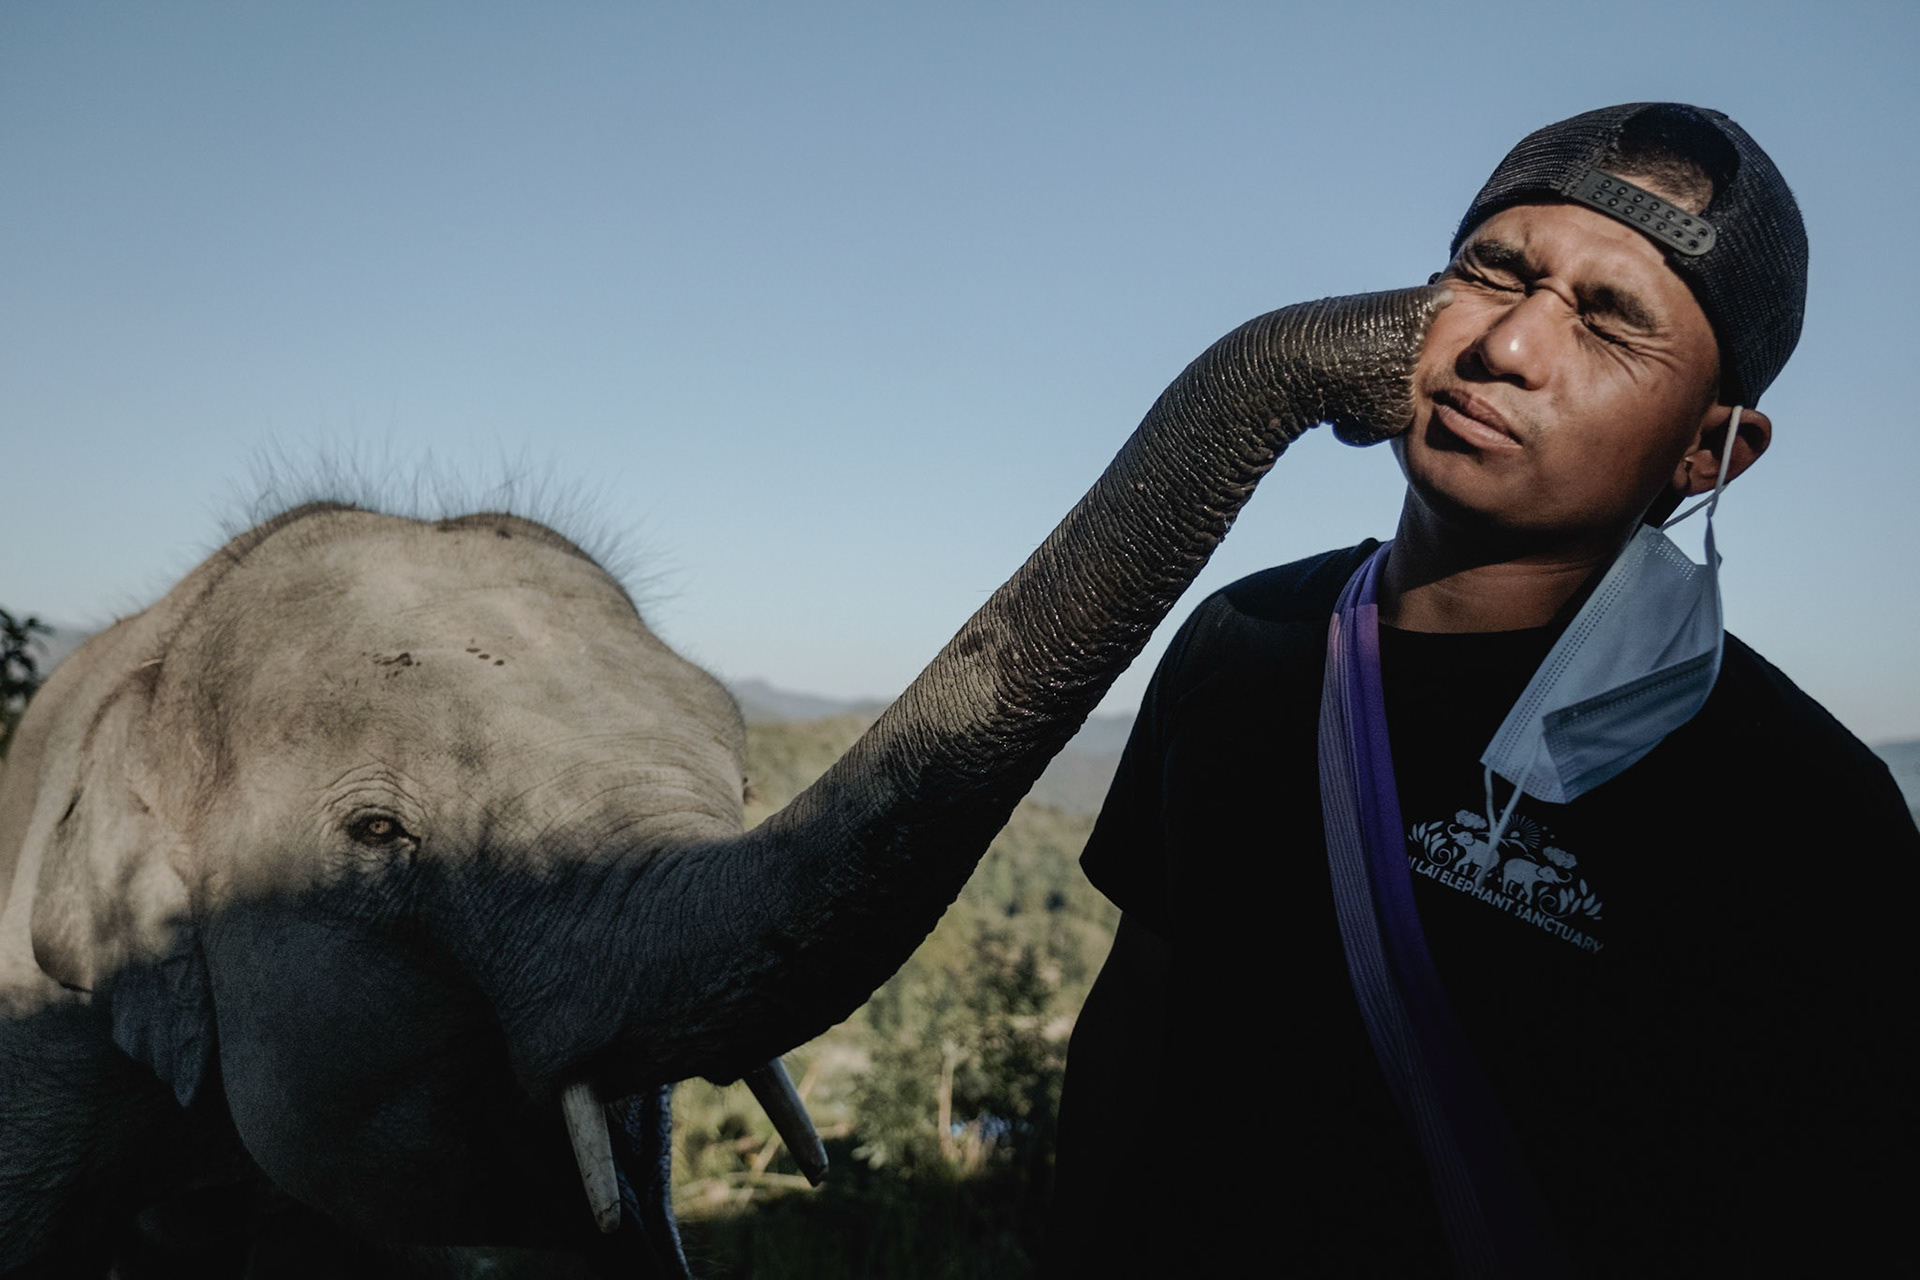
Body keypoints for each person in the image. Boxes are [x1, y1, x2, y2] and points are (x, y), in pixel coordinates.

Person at [1044, 103, 1918, 1276]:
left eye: (1611, 325)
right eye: (1492, 270)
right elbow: (1139, 1014)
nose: (1506, 346)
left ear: (1710, 453)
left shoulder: (1800, 808)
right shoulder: (1244, 638)